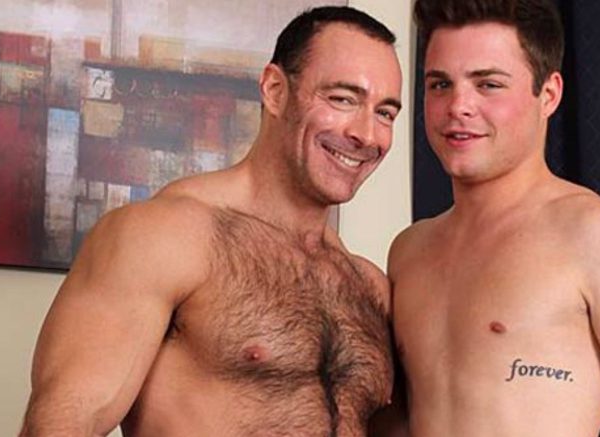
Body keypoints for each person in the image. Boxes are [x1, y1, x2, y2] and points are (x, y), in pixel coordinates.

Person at [20, 6, 403, 436]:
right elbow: (64, 421)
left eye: (385, 113)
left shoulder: (369, 288)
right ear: (275, 90)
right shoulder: (163, 238)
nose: (366, 134)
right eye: (343, 99)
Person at [387, 0, 600, 435]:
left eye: (488, 84)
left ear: (548, 94)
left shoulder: (599, 233)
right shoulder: (408, 251)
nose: (458, 106)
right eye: (440, 84)